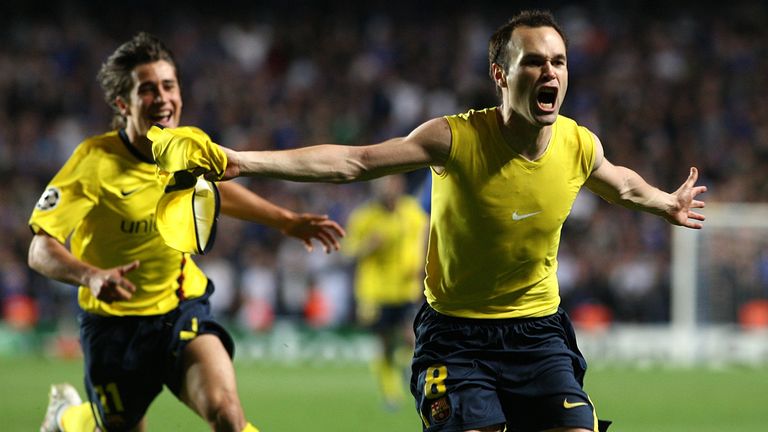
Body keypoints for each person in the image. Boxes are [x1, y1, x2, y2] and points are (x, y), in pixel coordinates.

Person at [151, 9, 707, 432]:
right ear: (500, 73)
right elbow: (355, 162)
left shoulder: (578, 144)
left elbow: (622, 183)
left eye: (558, 61)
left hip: (540, 335)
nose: (550, 72)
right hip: (458, 338)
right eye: (534, 61)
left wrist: (664, 202)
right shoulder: (455, 138)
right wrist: (242, 161)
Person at [29, 32, 344, 432]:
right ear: (123, 103)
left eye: (169, 85)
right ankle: (66, 417)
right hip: (114, 325)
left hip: (180, 307)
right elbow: (40, 248)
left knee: (227, 413)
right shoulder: (93, 161)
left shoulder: (184, 147)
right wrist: (90, 276)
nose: (162, 97)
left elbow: (217, 192)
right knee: (116, 426)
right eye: (148, 89)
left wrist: (285, 220)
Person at [343, 174, 428, 410]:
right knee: (384, 344)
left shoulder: (411, 211)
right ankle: (391, 394)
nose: (388, 190)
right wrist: (366, 247)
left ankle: (406, 367)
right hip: (375, 292)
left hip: (405, 289)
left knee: (411, 337)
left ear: (399, 187)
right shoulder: (364, 217)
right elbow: (347, 253)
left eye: (392, 184)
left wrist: (421, 264)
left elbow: (424, 234)